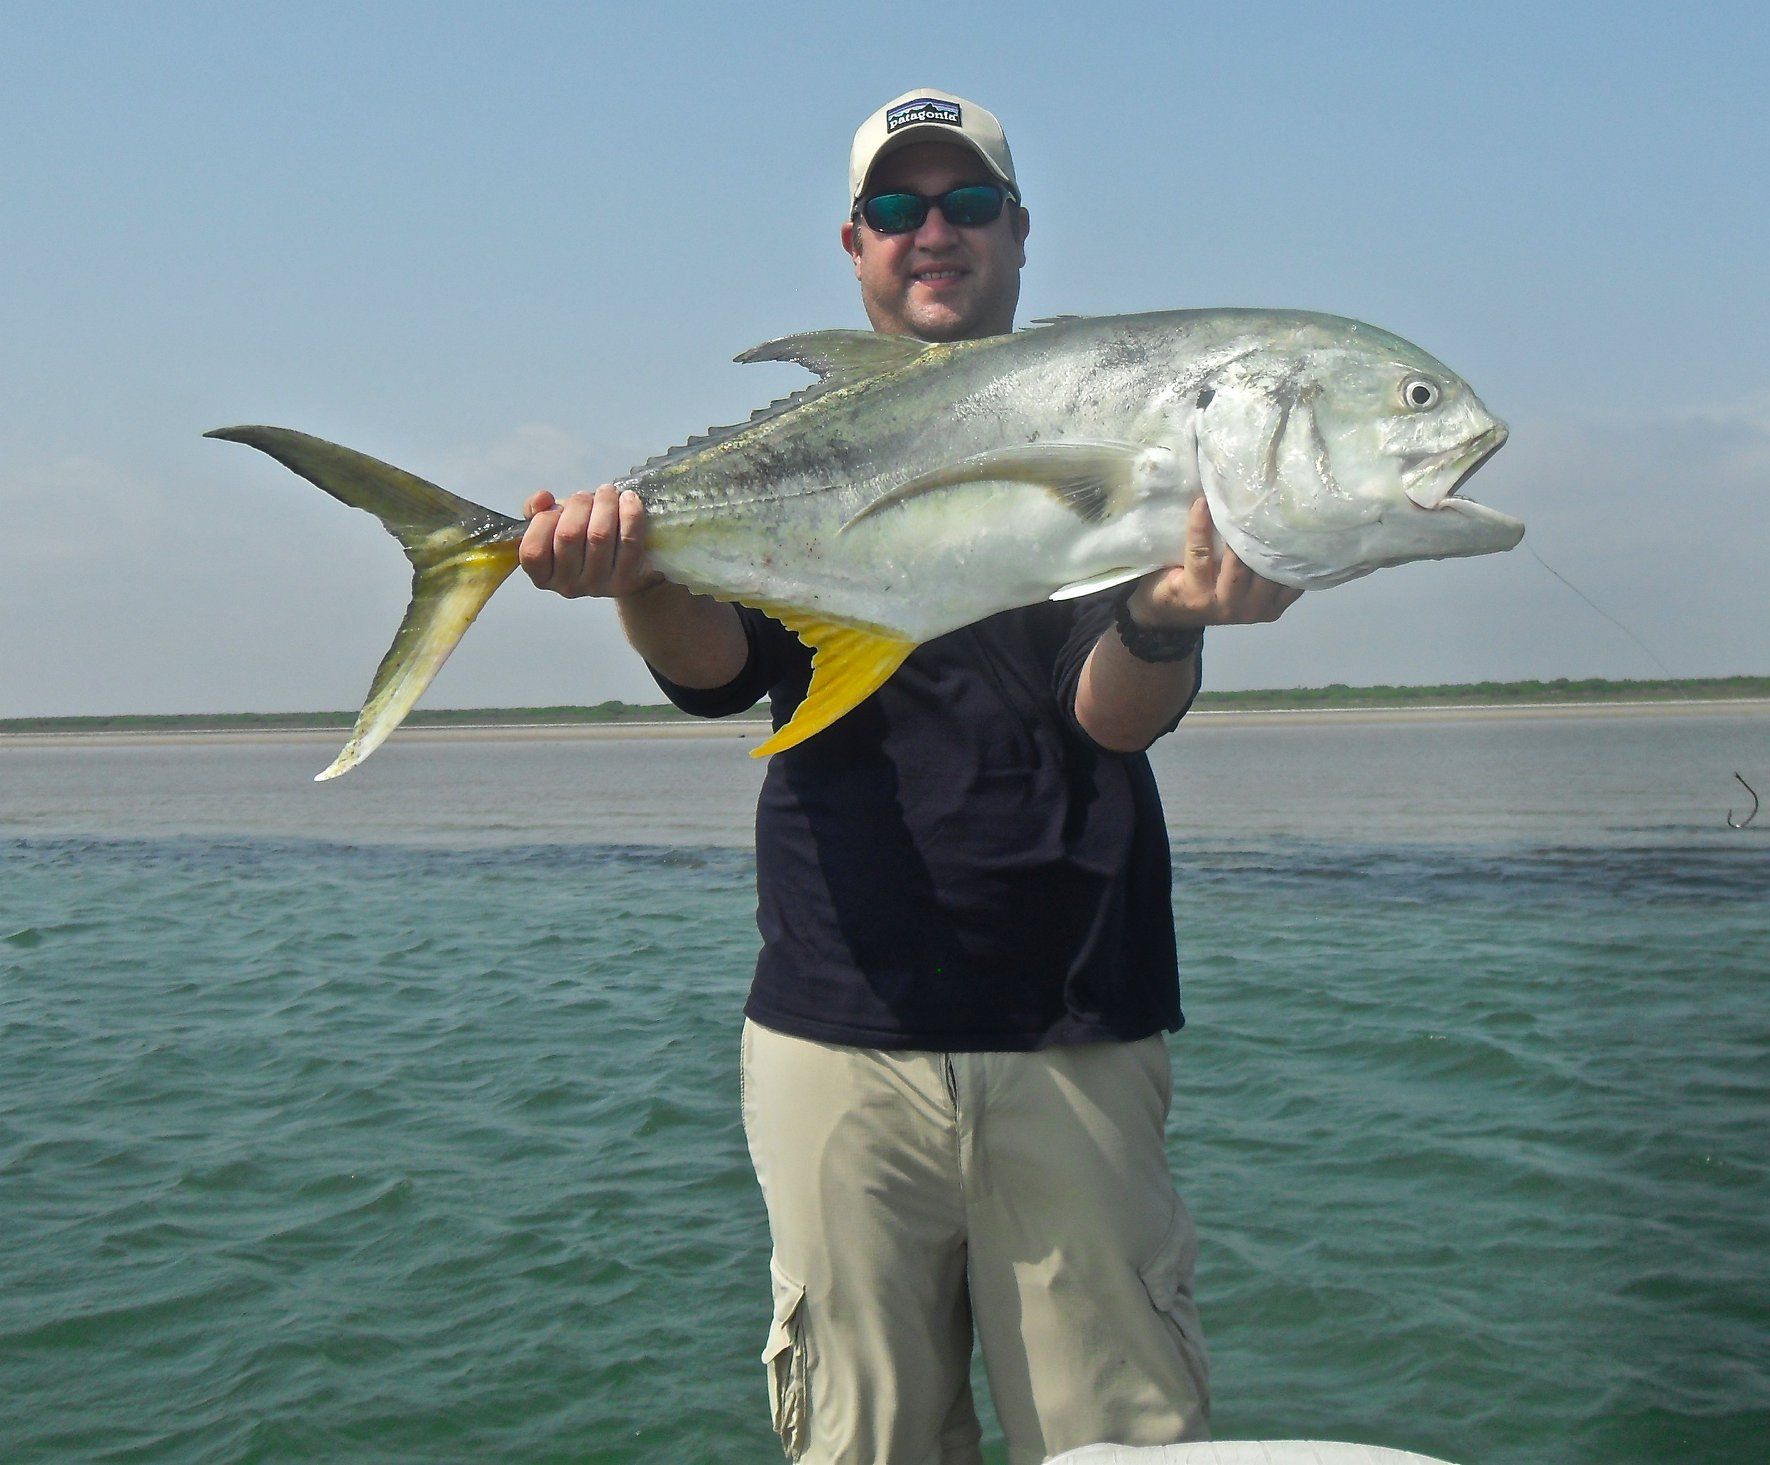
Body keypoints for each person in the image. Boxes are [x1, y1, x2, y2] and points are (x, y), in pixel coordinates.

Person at [519, 89, 1301, 1465]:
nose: (930, 231)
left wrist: (1169, 613)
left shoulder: (1117, 426)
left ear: (1016, 232)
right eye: (896, 208)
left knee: (1116, 1439)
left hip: (1076, 1021)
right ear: (854, 243)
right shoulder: (805, 448)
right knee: (860, 1441)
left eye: (964, 204)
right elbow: (716, 670)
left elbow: (1107, 718)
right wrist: (639, 576)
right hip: (833, 1032)